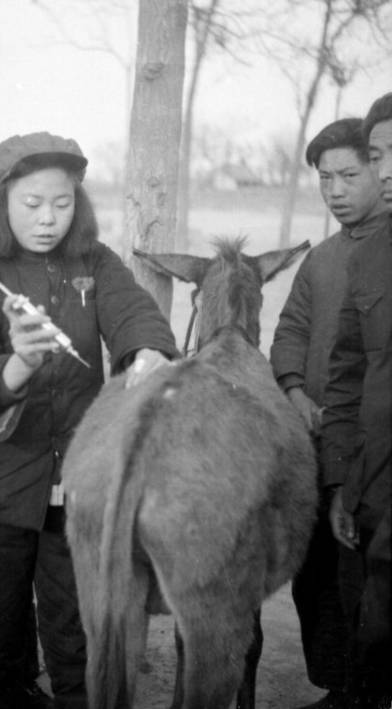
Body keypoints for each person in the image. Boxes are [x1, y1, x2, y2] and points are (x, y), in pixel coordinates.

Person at [0, 131, 178, 709]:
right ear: (2, 204)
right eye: (32, 205)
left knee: (78, 645)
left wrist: (148, 353)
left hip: (74, 492)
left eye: (63, 204)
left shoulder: (94, 262)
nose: (48, 219)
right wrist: (17, 363)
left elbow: (134, 312)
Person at [270, 117, 389, 709]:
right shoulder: (320, 260)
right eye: (324, 178)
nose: (335, 190)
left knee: (367, 580)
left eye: (349, 174)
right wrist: (294, 391)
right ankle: (338, 686)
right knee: (315, 572)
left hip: (375, 455)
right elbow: (289, 331)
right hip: (318, 445)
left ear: (378, 170)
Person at [321, 93, 392, 709]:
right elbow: (346, 376)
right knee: (368, 631)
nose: (388, 169)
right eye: (379, 154)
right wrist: (344, 483)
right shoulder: (365, 258)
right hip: (374, 485)